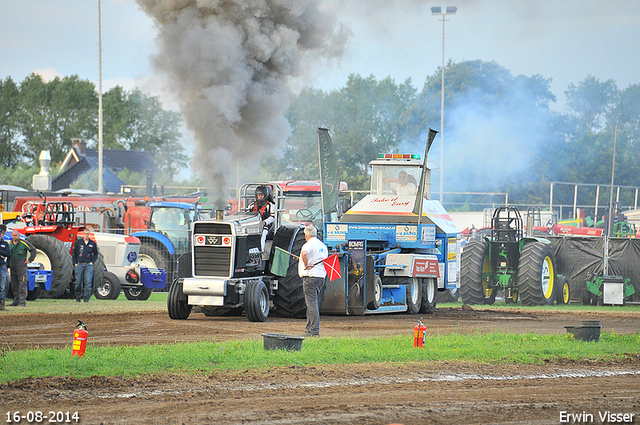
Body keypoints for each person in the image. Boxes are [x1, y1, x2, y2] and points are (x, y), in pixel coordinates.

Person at [298, 225, 328, 337]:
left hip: (310, 278)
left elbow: (305, 253)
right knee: (313, 303)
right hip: (320, 277)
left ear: (306, 235)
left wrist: (305, 264)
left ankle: (314, 330)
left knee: (311, 304)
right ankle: (309, 328)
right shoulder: (322, 245)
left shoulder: (308, 244)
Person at [8, 230, 36, 307]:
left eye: (16, 235)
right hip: (12, 266)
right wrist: (7, 266)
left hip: (21, 267)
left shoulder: (23, 243)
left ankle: (22, 302)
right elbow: (8, 256)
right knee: (14, 285)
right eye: (13, 235)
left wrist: (30, 260)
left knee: (22, 284)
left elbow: (33, 250)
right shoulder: (10, 244)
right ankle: (16, 301)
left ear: (19, 236)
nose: (14, 237)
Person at [72, 228, 99, 303]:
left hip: (88, 265)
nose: (86, 235)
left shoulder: (92, 243)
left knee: (88, 282)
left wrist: (92, 262)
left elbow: (96, 254)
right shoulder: (78, 242)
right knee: (78, 282)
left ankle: (86, 299)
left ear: (89, 234)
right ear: (83, 234)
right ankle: (78, 297)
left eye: (87, 234)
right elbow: (74, 253)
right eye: (85, 234)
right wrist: (75, 263)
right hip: (79, 264)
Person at [250, 185, 275, 251]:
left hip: (266, 226)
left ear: (265, 195)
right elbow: (247, 215)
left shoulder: (270, 205)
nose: (260, 196)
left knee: (263, 235)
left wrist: (264, 222)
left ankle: (261, 251)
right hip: (253, 225)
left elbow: (272, 217)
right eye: (259, 195)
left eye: (262, 195)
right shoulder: (252, 205)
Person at [0, 224, 10, 311]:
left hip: (2, 266)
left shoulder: (5, 244)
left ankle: (2, 305)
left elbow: (8, 253)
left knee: (2, 286)